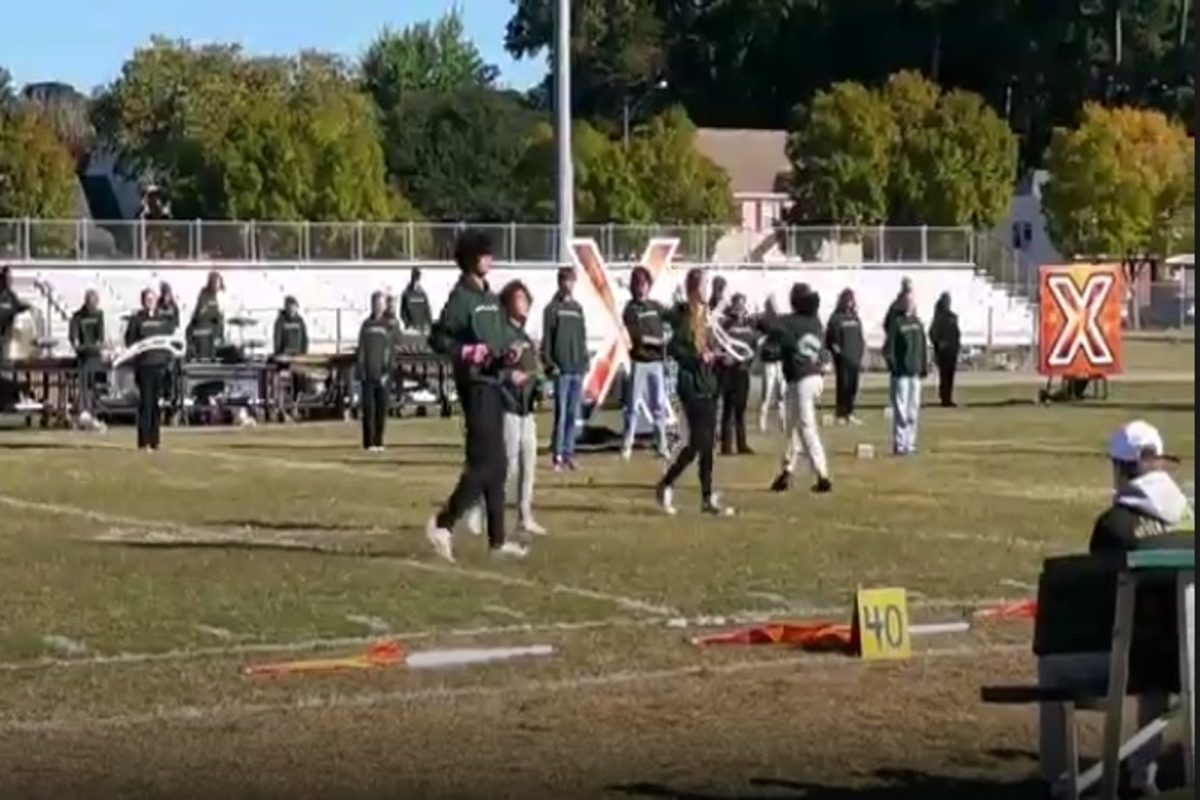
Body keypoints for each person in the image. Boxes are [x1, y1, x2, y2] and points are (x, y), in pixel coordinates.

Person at [1038, 420, 1193, 797]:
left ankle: (1060, 782)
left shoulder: (1113, 526)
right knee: (1158, 658)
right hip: (1186, 657)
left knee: (1053, 666)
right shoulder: (1191, 516)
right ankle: (1144, 775)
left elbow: (1102, 601)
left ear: (1122, 469)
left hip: (1134, 657)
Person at [425, 230, 528, 562]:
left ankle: (497, 542)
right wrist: (467, 351)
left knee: (498, 467)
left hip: (495, 383)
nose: (490, 258)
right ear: (471, 258)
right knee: (484, 465)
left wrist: (507, 358)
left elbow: (495, 345)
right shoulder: (461, 299)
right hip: (475, 386)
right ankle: (443, 523)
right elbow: (438, 338)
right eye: (484, 253)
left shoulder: (490, 299)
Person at [465, 280, 546, 537]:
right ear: (508, 303)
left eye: (526, 298)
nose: (524, 303)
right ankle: (477, 510)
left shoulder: (525, 337)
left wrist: (538, 381)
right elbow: (490, 369)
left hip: (526, 410)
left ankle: (525, 515)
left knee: (529, 465)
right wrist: (508, 375)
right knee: (505, 467)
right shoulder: (500, 334)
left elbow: (534, 371)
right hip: (507, 407)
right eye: (519, 298)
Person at [655, 268, 732, 517]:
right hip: (691, 385)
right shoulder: (682, 314)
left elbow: (712, 345)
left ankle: (706, 498)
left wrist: (721, 356)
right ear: (694, 287)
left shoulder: (707, 315)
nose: (707, 289)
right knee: (699, 441)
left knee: (707, 445)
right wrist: (698, 356)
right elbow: (676, 347)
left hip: (708, 383)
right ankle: (666, 482)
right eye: (704, 284)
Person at [765, 284, 832, 494]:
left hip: (802, 378)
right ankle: (787, 472)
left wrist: (769, 312)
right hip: (812, 378)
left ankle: (822, 474)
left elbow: (771, 328)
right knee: (793, 427)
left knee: (805, 426)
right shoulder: (815, 322)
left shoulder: (788, 322)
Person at [541, 267, 588, 471]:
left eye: (571, 281)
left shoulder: (578, 309)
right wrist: (550, 364)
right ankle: (557, 455)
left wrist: (584, 361)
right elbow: (547, 340)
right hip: (561, 370)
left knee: (572, 413)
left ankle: (569, 453)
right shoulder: (551, 309)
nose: (568, 285)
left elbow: (582, 338)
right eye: (565, 281)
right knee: (560, 415)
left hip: (577, 369)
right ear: (559, 282)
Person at [621, 266, 669, 460]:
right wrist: (658, 341)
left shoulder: (655, 306)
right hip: (639, 362)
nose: (641, 289)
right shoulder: (630, 308)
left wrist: (667, 336)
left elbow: (668, 323)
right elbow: (637, 336)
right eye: (638, 285)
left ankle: (662, 444)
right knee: (633, 405)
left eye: (644, 284)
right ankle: (627, 444)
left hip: (656, 362)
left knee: (659, 404)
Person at [124, 288, 178, 451]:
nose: (150, 301)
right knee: (145, 403)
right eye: (147, 299)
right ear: (143, 301)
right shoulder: (137, 319)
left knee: (156, 404)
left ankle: (155, 440)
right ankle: (143, 440)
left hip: (159, 365)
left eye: (152, 298)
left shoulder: (163, 319)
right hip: (144, 366)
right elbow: (130, 341)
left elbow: (170, 337)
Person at [886, 295, 927, 456]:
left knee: (913, 409)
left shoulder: (918, 323)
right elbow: (889, 349)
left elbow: (923, 347)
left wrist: (923, 367)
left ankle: (910, 443)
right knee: (901, 409)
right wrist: (894, 367)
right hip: (901, 374)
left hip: (915, 373)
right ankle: (900, 443)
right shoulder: (897, 324)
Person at [717, 294, 756, 455]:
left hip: (743, 371)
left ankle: (742, 444)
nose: (740, 308)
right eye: (737, 304)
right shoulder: (726, 324)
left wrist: (747, 362)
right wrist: (725, 358)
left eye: (742, 305)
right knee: (729, 409)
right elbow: (719, 343)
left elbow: (753, 347)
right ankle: (726, 446)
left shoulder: (749, 324)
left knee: (740, 409)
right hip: (729, 372)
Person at [357, 291, 393, 453]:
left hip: (383, 374)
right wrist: (361, 369)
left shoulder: (387, 326)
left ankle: (379, 441)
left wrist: (387, 371)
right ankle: (368, 442)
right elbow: (361, 349)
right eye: (375, 303)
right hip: (368, 373)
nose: (378, 307)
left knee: (381, 409)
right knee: (368, 410)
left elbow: (390, 351)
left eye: (380, 304)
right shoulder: (366, 325)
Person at [824, 288, 864, 425]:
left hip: (855, 357)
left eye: (851, 300)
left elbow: (860, 337)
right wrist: (835, 349)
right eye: (847, 300)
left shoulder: (855, 317)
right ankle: (841, 413)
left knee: (853, 386)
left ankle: (850, 412)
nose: (849, 303)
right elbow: (829, 338)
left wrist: (860, 351)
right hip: (842, 359)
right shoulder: (836, 317)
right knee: (843, 385)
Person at [69, 290, 106, 416]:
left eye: (95, 303)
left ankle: (93, 409)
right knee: (85, 384)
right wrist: (77, 344)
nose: (93, 305)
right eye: (91, 302)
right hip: (83, 356)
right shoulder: (78, 316)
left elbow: (100, 336)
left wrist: (99, 345)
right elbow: (73, 337)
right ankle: (85, 410)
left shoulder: (99, 315)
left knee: (94, 384)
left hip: (95, 355)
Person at [272, 296, 308, 421]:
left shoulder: (300, 321)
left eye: (293, 306)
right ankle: (281, 409)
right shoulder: (280, 321)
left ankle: (295, 407)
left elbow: (304, 339)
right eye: (288, 306)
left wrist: (303, 355)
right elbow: (277, 339)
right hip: (284, 358)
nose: (291, 309)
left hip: (297, 358)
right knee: (282, 383)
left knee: (299, 381)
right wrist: (278, 354)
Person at [756, 295, 785, 433]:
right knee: (767, 391)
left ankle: (782, 421)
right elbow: (758, 339)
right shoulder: (762, 321)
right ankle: (762, 420)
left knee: (782, 392)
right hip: (769, 360)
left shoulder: (781, 320)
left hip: (780, 360)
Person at [928, 292, 961, 408]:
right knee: (944, 375)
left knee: (950, 375)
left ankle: (948, 397)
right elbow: (932, 333)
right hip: (943, 351)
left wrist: (957, 346)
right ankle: (944, 397)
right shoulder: (938, 317)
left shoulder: (953, 317)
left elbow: (957, 334)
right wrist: (938, 343)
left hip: (952, 350)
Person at [187, 271, 224, 361]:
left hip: (216, 329)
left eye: (219, 283)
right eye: (216, 283)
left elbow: (220, 316)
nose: (217, 286)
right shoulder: (204, 295)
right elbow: (199, 314)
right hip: (205, 331)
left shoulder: (219, 295)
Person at [0, 266, 30, 364]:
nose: (9, 281)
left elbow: (17, 307)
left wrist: (25, 307)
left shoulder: (11, 295)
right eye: (6, 278)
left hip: (6, 334)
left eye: (10, 278)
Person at [400, 268, 433, 333]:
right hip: (411, 329)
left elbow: (427, 311)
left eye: (417, 279)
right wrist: (408, 324)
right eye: (414, 279)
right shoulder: (406, 294)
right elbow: (402, 312)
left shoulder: (423, 294)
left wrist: (428, 324)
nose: (416, 281)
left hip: (422, 328)